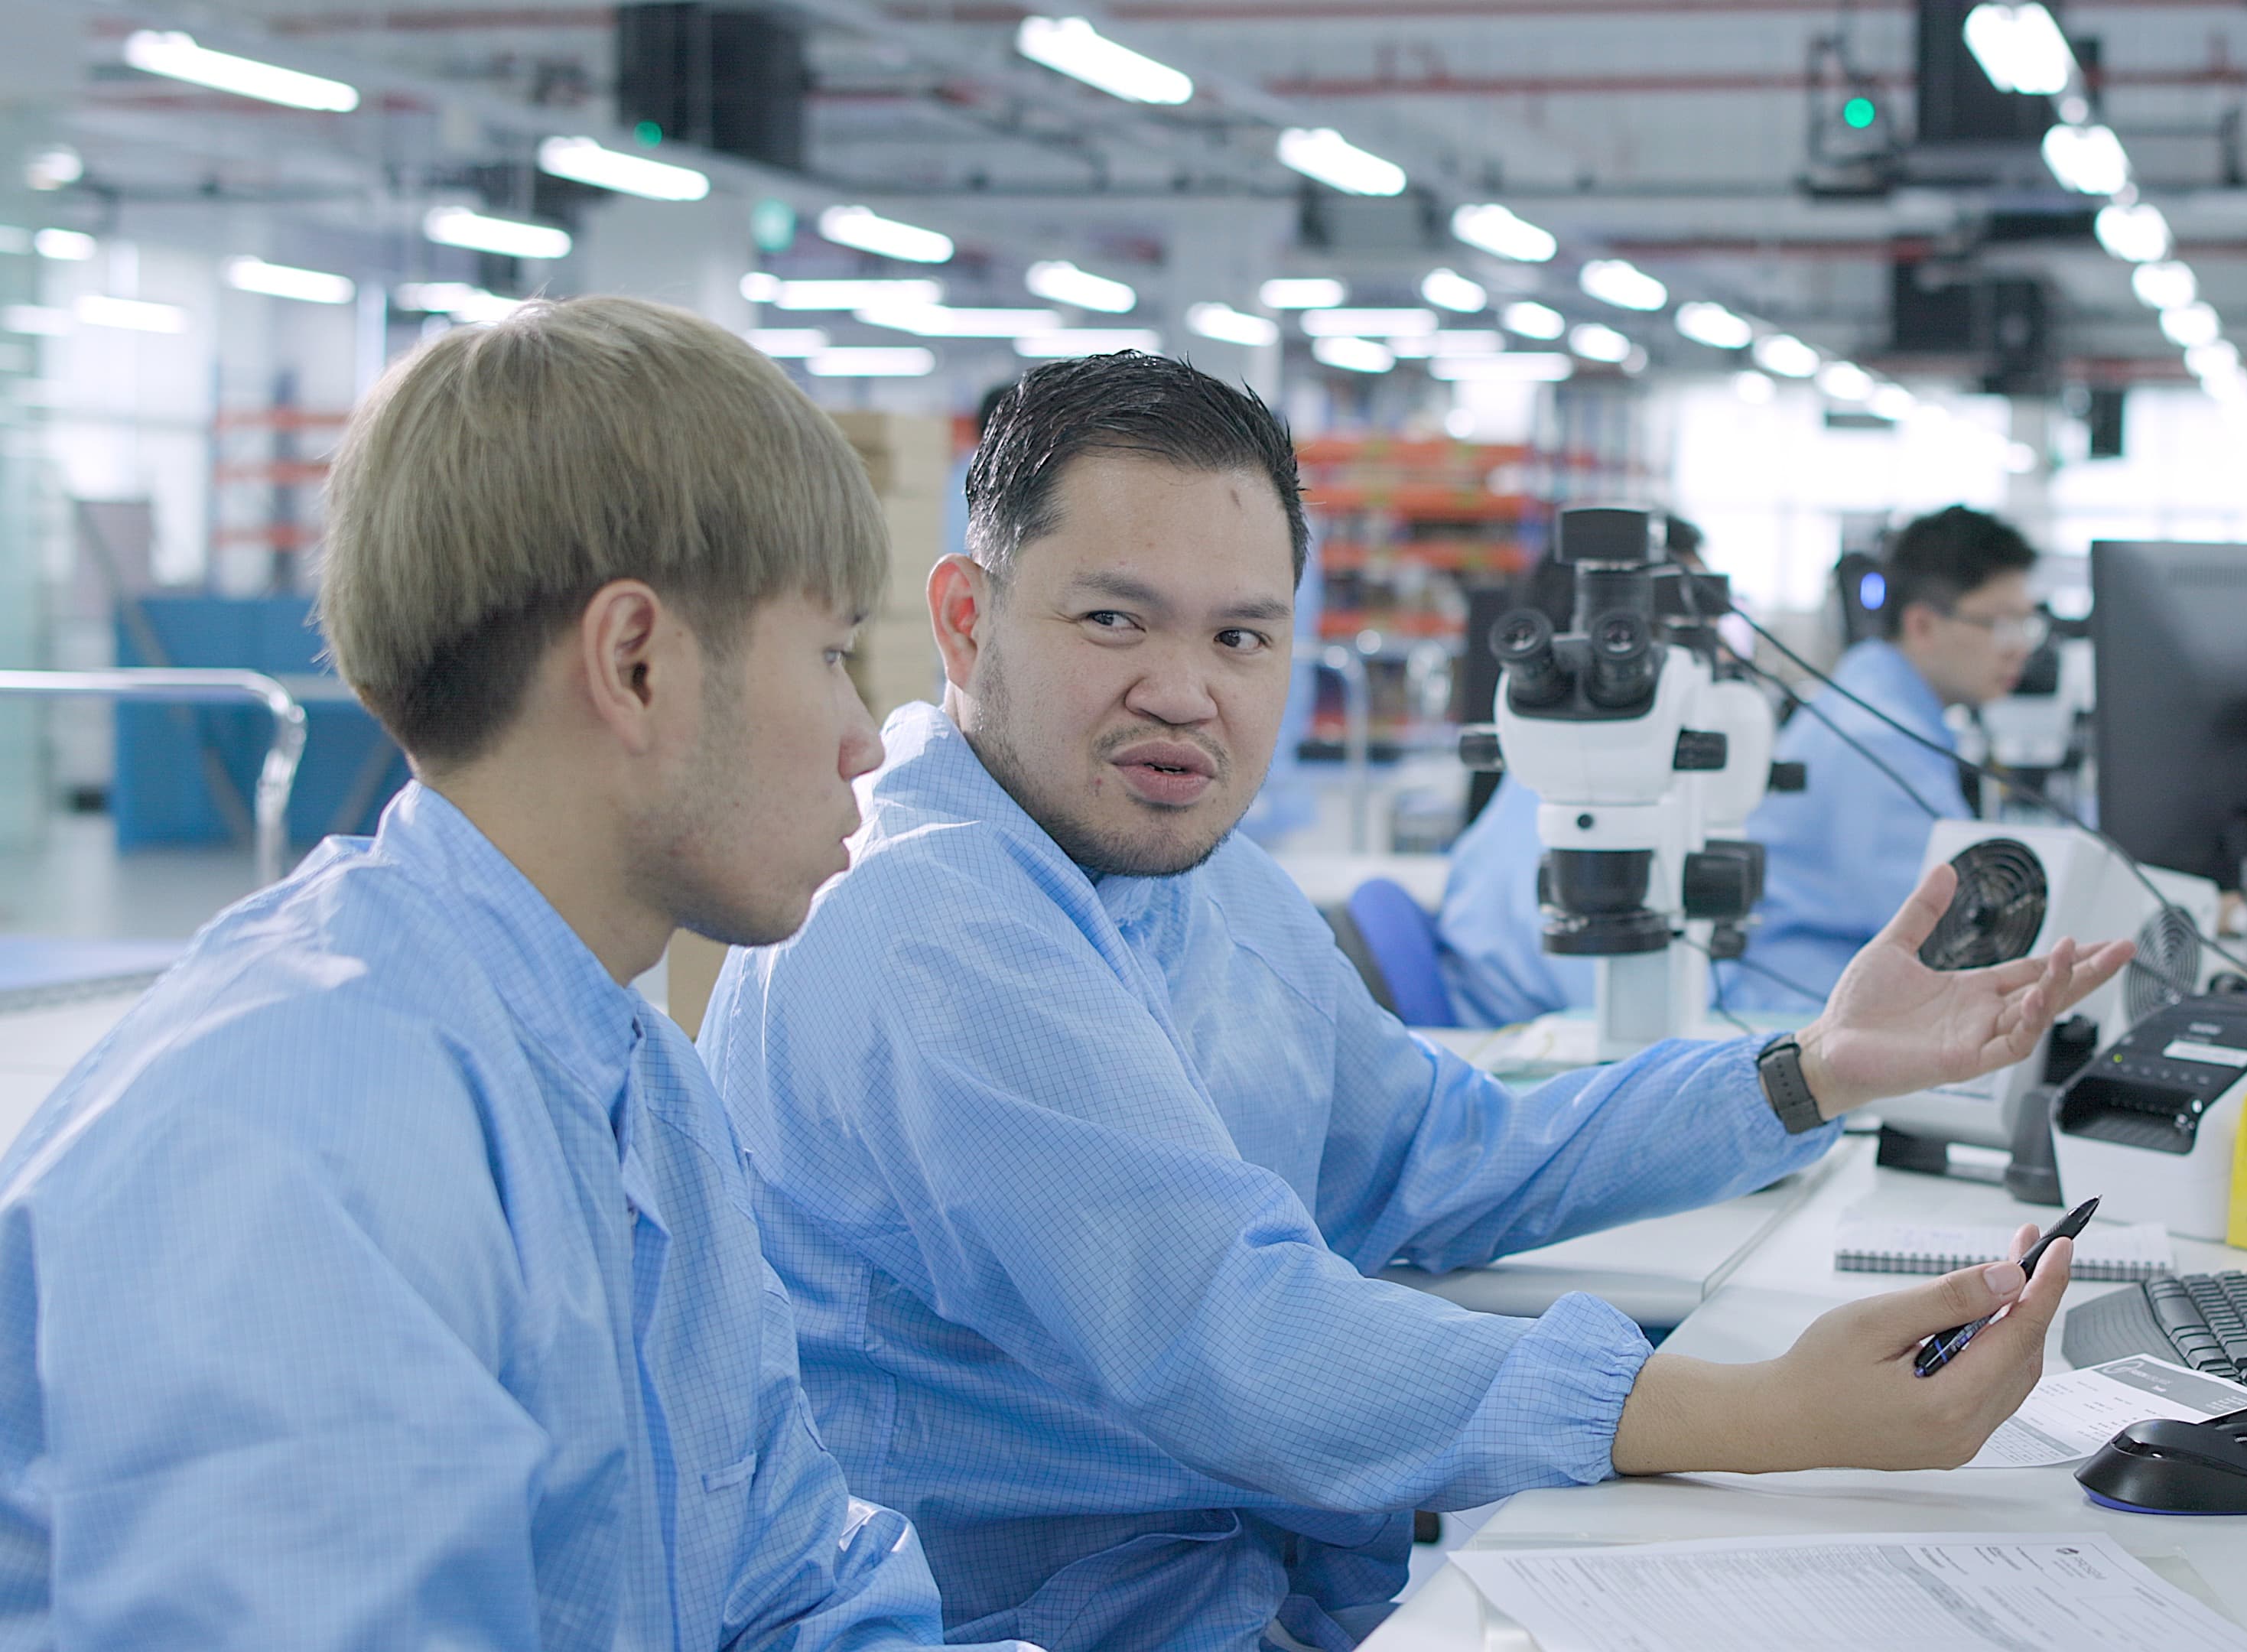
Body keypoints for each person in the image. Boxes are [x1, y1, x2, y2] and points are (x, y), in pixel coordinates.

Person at [701, 353, 2129, 1652]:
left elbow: (1436, 1152)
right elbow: (1233, 1332)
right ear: (965, 620)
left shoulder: (1197, 879)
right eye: (1115, 619)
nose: (1187, 692)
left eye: (1243, 639)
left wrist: (1805, 1072)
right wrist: (1768, 1415)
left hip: (1274, 1592)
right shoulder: (923, 918)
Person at [0, 297, 1030, 1650]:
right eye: (832, 654)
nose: (860, 739)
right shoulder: (313, 1134)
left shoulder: (635, 1074)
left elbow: (792, 1589)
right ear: (636, 663)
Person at [1727, 505, 2047, 1012]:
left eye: (2027, 626)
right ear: (1922, 624)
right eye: (2001, 624)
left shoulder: (1876, 703)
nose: (2018, 650)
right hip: (1808, 1013)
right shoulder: (1878, 742)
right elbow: (1961, 927)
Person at [1431, 516, 1708, 1024]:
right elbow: (1623, 1008)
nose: (1712, 661)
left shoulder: (1548, 778)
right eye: (1692, 636)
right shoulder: (1568, 807)